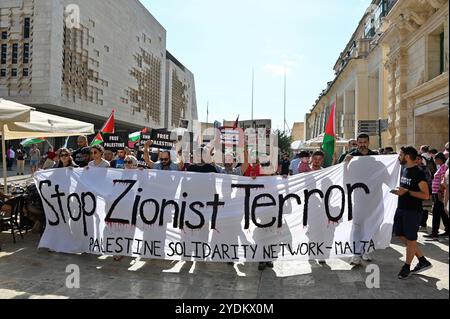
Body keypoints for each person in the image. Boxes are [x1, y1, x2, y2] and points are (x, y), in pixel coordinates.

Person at [391, 146, 432, 279]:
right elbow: (405, 189)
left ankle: (406, 267)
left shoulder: (418, 173)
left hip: (412, 211)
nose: (399, 156)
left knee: (411, 239)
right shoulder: (404, 170)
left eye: (401, 154)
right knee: (401, 234)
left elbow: (426, 195)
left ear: (407, 156)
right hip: (401, 208)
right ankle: (422, 260)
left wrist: (407, 192)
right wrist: (399, 192)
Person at [345, 133, 378, 264]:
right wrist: (345, 162)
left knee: (370, 225)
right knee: (357, 225)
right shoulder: (350, 156)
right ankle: (356, 253)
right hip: (356, 197)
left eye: (365, 142)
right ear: (357, 143)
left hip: (373, 197)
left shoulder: (375, 157)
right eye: (360, 142)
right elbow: (340, 171)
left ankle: (366, 250)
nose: (363, 144)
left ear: (369, 142)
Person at [424, 152, 448, 239]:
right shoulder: (441, 167)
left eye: (436, 159)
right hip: (437, 192)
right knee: (442, 212)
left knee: (436, 212)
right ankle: (447, 229)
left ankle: (434, 232)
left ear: (440, 159)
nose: (435, 160)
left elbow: (443, 180)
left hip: (438, 193)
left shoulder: (444, 167)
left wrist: (440, 192)